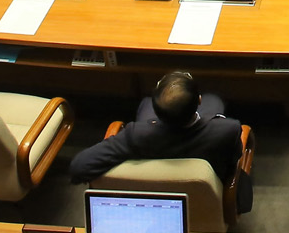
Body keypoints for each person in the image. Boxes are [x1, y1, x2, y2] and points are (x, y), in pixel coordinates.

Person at [66, 70, 250, 204]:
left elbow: (79, 167)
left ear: (155, 112)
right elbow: (233, 159)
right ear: (199, 101)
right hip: (208, 197)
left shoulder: (136, 135)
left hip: (149, 197)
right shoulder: (226, 130)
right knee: (215, 100)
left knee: (144, 102)